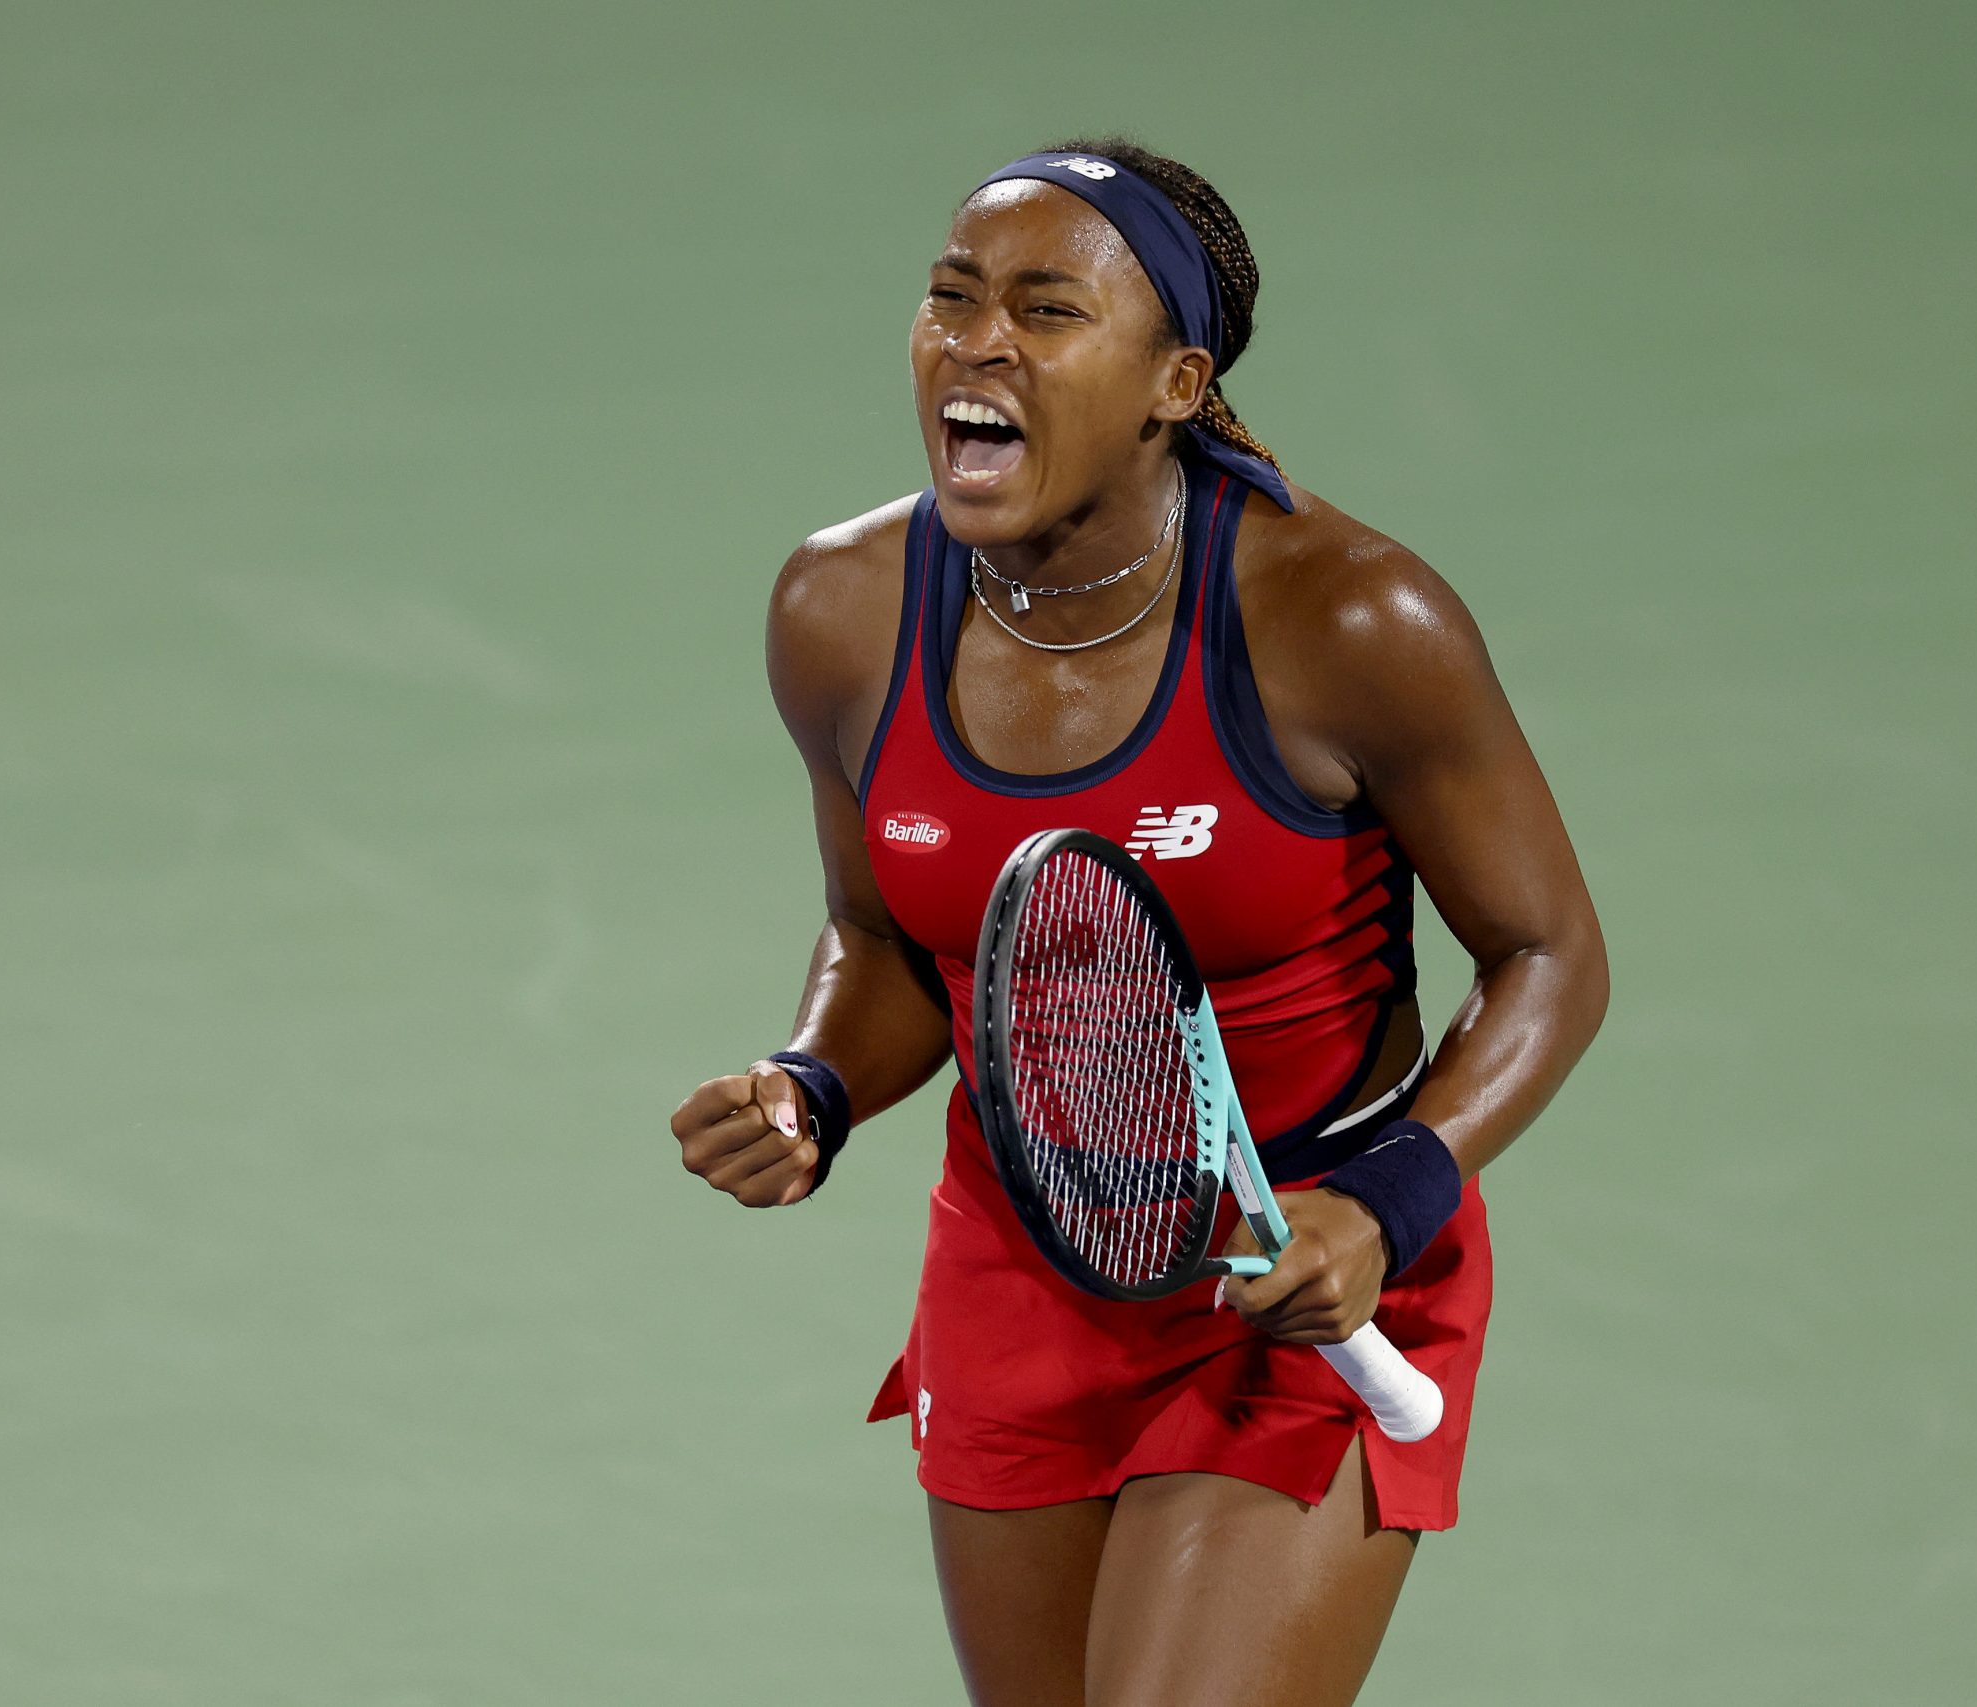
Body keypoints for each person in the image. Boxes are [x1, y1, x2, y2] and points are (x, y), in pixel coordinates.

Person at [669, 137, 1608, 1707]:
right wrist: (811, 1083)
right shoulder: (838, 612)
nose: (977, 342)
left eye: (1045, 311)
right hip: (1028, 1258)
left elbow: (1548, 956)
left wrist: (1382, 1204)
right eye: (950, 297)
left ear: (1176, 382)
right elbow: (889, 939)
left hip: (1305, 1269)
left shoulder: (1350, 623)